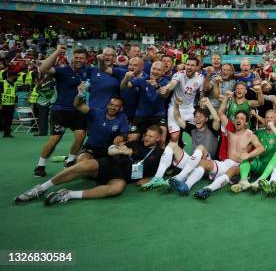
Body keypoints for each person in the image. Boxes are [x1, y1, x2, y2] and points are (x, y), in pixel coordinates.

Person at [14, 125, 164, 205]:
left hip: (121, 176)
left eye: (150, 136)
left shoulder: (160, 153)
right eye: (146, 135)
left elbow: (164, 170)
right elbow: (111, 149)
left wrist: (150, 178)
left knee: (116, 189)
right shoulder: (135, 142)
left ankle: (69, 195)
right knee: (83, 166)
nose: (146, 138)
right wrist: (121, 150)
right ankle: (41, 188)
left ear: (158, 139)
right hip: (109, 164)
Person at [34, 45, 92, 177]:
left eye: (81, 58)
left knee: (81, 136)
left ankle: (70, 161)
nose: (78, 60)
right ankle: (40, 165)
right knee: (54, 139)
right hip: (60, 110)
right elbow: (43, 68)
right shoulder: (63, 70)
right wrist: (57, 52)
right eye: (76, 57)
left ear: (86, 59)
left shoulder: (88, 71)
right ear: (72, 58)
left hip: (78, 110)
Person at [141, 96, 221, 190]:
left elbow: (217, 119)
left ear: (206, 119)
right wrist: (176, 105)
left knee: (200, 147)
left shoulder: (213, 128)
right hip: (192, 164)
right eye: (196, 117)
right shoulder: (192, 129)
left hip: (207, 164)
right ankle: (157, 178)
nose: (197, 119)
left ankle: (180, 177)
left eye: (200, 117)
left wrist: (208, 103)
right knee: (172, 145)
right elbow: (177, 118)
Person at [190, 111, 264, 199]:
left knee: (232, 170)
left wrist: (248, 155)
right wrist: (226, 98)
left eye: (242, 119)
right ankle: (187, 185)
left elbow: (261, 148)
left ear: (246, 123)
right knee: (204, 163)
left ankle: (208, 189)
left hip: (239, 167)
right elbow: (221, 113)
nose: (238, 120)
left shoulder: (250, 135)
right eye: (237, 118)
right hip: (226, 163)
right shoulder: (229, 132)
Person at [231, 110, 276, 193]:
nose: (269, 119)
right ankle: (243, 181)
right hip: (261, 165)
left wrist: (273, 128)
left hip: (274, 168)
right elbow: (248, 145)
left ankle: (260, 180)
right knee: (246, 155)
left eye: (271, 117)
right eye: (267, 117)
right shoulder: (260, 132)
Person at [73, 83, 129, 162]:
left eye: (116, 106)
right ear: (107, 105)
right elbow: (78, 105)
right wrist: (80, 93)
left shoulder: (122, 118)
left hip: (109, 150)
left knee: (122, 148)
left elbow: (125, 134)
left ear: (121, 108)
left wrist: (121, 137)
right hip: (91, 148)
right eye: (111, 104)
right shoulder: (97, 113)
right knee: (82, 160)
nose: (112, 108)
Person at [121, 61, 170, 142]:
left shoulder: (166, 82)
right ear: (150, 69)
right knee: (131, 139)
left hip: (157, 116)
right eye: (153, 68)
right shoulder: (142, 80)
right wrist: (126, 78)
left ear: (163, 72)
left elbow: (165, 95)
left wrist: (157, 87)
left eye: (159, 70)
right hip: (141, 115)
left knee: (162, 139)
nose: (155, 71)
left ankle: (159, 154)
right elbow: (123, 86)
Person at [161, 56, 205, 142]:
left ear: (196, 67)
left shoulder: (200, 77)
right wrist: (166, 88)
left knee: (199, 134)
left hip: (189, 110)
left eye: (192, 65)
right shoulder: (179, 74)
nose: (189, 67)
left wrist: (202, 102)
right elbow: (172, 84)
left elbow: (202, 94)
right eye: (187, 64)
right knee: (174, 137)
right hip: (174, 108)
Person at [30, 72, 57, 137]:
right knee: (44, 118)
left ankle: (43, 132)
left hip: (45, 103)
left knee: (42, 118)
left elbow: (38, 90)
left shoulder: (51, 84)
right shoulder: (51, 84)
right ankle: (44, 131)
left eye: (44, 77)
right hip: (46, 103)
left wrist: (40, 83)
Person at [0, 70, 18, 138]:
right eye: (16, 76)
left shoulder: (14, 84)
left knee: (9, 120)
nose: (17, 78)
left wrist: (16, 103)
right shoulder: (2, 83)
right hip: (3, 105)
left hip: (11, 104)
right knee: (3, 120)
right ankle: (5, 132)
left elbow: (14, 94)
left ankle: (7, 133)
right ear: (12, 76)